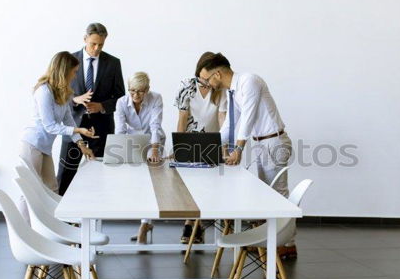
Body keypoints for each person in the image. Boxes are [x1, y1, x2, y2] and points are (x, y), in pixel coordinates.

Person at [196, 52, 297, 259]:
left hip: (274, 141)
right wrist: (204, 144)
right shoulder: (232, 91)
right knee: (265, 197)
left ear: (217, 74)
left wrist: (239, 149)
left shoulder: (249, 81)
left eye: (206, 80)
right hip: (261, 143)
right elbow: (231, 126)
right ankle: (266, 239)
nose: (206, 85)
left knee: (278, 194)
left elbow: (248, 118)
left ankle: (287, 243)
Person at [19, 52, 96, 220]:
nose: (75, 75)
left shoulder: (64, 92)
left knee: (52, 188)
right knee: (29, 189)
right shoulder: (44, 91)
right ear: (64, 71)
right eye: (74, 72)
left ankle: (52, 227)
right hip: (32, 143)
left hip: (44, 147)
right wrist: (78, 131)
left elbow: (69, 121)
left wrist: (83, 146)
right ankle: (23, 230)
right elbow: (50, 126)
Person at [57, 22, 125, 195]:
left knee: (99, 175)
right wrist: (75, 100)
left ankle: (95, 218)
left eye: (101, 45)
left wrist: (102, 106)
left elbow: (120, 96)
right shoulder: (70, 60)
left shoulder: (113, 63)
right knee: (66, 174)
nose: (96, 48)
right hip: (73, 125)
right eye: (93, 43)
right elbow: (58, 92)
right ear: (85, 39)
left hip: (101, 128)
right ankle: (64, 219)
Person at [174, 52, 227, 244]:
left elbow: (222, 119)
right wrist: (179, 146)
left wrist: (224, 146)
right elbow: (182, 118)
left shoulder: (219, 89)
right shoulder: (186, 86)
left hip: (211, 140)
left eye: (207, 79)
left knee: (207, 185)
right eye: (201, 78)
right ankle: (190, 224)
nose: (205, 82)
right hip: (190, 138)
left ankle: (197, 224)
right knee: (190, 185)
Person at [114, 71, 165, 244]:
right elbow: (120, 130)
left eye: (140, 91)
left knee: (150, 183)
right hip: (132, 142)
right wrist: (118, 153)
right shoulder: (121, 102)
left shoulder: (156, 98)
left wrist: (155, 150)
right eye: (132, 91)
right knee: (136, 184)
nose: (136, 95)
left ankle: (144, 224)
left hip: (153, 140)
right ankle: (146, 221)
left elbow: (155, 125)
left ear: (148, 89)